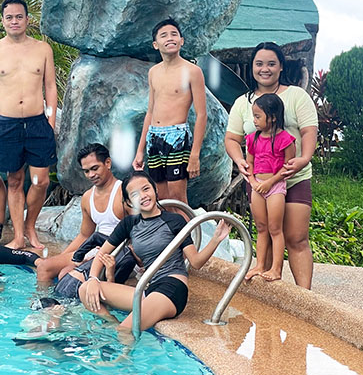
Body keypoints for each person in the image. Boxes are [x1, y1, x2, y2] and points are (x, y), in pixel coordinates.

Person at [80, 171, 230, 333]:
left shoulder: (174, 221)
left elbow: (196, 262)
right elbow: (102, 253)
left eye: (146, 189)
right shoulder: (129, 223)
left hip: (172, 288)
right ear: (129, 202)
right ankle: (112, 324)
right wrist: (94, 278)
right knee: (85, 289)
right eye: (135, 194)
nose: (143, 196)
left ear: (155, 190)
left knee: (126, 330)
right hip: (148, 289)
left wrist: (216, 239)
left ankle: (121, 354)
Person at [224, 42, 318, 289]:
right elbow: (232, 139)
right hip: (259, 181)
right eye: (259, 63)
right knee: (265, 229)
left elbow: (309, 132)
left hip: (294, 177)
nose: (264, 69)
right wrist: (241, 161)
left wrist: (304, 158)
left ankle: (304, 297)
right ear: (252, 67)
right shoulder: (243, 103)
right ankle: (268, 296)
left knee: (296, 237)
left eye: (271, 63)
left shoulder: (297, 96)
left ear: (280, 67)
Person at [0, 0, 57, 250]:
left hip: (37, 122)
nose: (14, 21)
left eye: (19, 17)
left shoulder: (42, 49)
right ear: (3, 21)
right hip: (7, 124)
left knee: (41, 180)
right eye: (9, 17)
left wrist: (51, 118)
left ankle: (30, 227)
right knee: (14, 181)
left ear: (27, 19)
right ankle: (18, 236)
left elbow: (50, 86)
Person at [133, 19, 206, 208]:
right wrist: (140, 150)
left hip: (177, 137)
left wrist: (195, 155)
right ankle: (169, 238)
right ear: (156, 45)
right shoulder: (153, 72)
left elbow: (201, 114)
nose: (170, 38)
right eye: (164, 35)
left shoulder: (192, 71)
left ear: (182, 40)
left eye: (174, 34)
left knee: (177, 197)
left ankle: (187, 238)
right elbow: (150, 111)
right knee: (161, 197)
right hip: (154, 138)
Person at [35, 143, 125, 283]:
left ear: (107, 163)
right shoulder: (88, 197)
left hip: (117, 252)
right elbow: (84, 235)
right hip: (95, 248)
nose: (91, 175)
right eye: (87, 171)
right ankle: (46, 303)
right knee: (45, 267)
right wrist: (60, 258)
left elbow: (137, 232)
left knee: (65, 275)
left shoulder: (122, 193)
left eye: (95, 168)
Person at [243, 93, 296, 282]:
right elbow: (249, 163)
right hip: (257, 186)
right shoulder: (252, 139)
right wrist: (254, 182)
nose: (254, 120)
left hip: (275, 187)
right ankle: (259, 265)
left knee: (275, 228)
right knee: (261, 227)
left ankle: (276, 269)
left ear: (272, 117)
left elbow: (288, 168)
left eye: (258, 116)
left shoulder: (285, 140)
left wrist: (269, 183)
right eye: (254, 116)